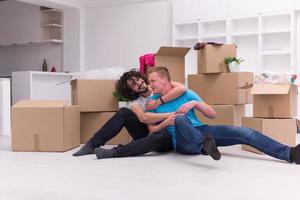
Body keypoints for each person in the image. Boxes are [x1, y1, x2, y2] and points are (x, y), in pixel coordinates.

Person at [95, 66, 300, 165]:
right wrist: (168, 120)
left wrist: (196, 103)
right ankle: (203, 147)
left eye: (154, 81)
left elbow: (211, 114)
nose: (150, 84)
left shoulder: (185, 93)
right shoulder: (151, 103)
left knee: (244, 132)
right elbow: (152, 130)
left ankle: (289, 154)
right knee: (182, 119)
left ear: (166, 80)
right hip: (181, 141)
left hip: (203, 131)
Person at [72, 69, 186, 157]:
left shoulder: (157, 84)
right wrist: (172, 114)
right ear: (132, 91)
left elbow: (182, 88)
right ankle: (92, 145)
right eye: (134, 85)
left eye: (137, 79)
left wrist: (158, 102)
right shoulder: (135, 102)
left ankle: (115, 152)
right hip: (149, 132)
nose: (139, 83)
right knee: (124, 112)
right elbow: (143, 118)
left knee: (162, 135)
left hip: (167, 137)